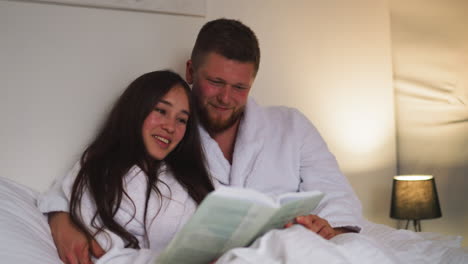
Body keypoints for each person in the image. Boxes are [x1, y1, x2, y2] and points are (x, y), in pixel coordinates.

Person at [39, 18, 363, 263]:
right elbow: (84, 178)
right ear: (191, 71)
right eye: (216, 82)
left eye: (240, 87)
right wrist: (61, 221)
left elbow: (338, 196)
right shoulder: (173, 137)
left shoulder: (291, 125)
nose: (226, 98)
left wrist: (328, 228)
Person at [38, 70, 216, 263]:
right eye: (161, 111)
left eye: (181, 120)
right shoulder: (101, 171)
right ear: (137, 109)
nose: (171, 127)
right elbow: (103, 252)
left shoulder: (190, 177)